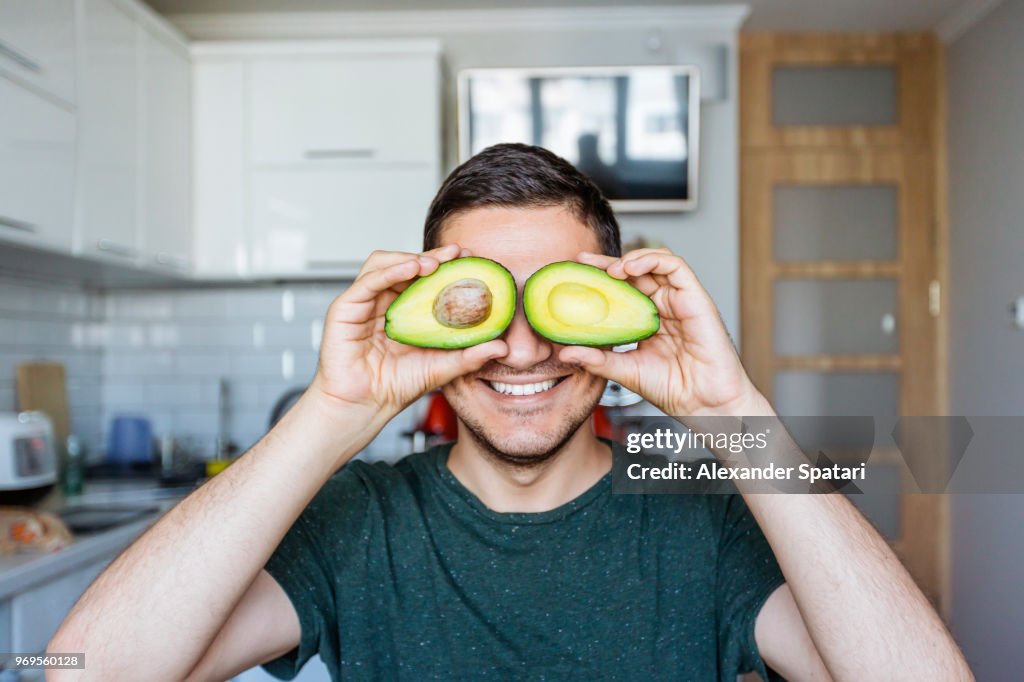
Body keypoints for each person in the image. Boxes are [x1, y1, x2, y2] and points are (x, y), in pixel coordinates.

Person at [49, 144, 972, 681]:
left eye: (558, 309)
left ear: (617, 324)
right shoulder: (354, 523)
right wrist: (334, 411)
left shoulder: (706, 518)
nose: (523, 351)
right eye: (482, 311)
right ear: (427, 323)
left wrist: (732, 407)